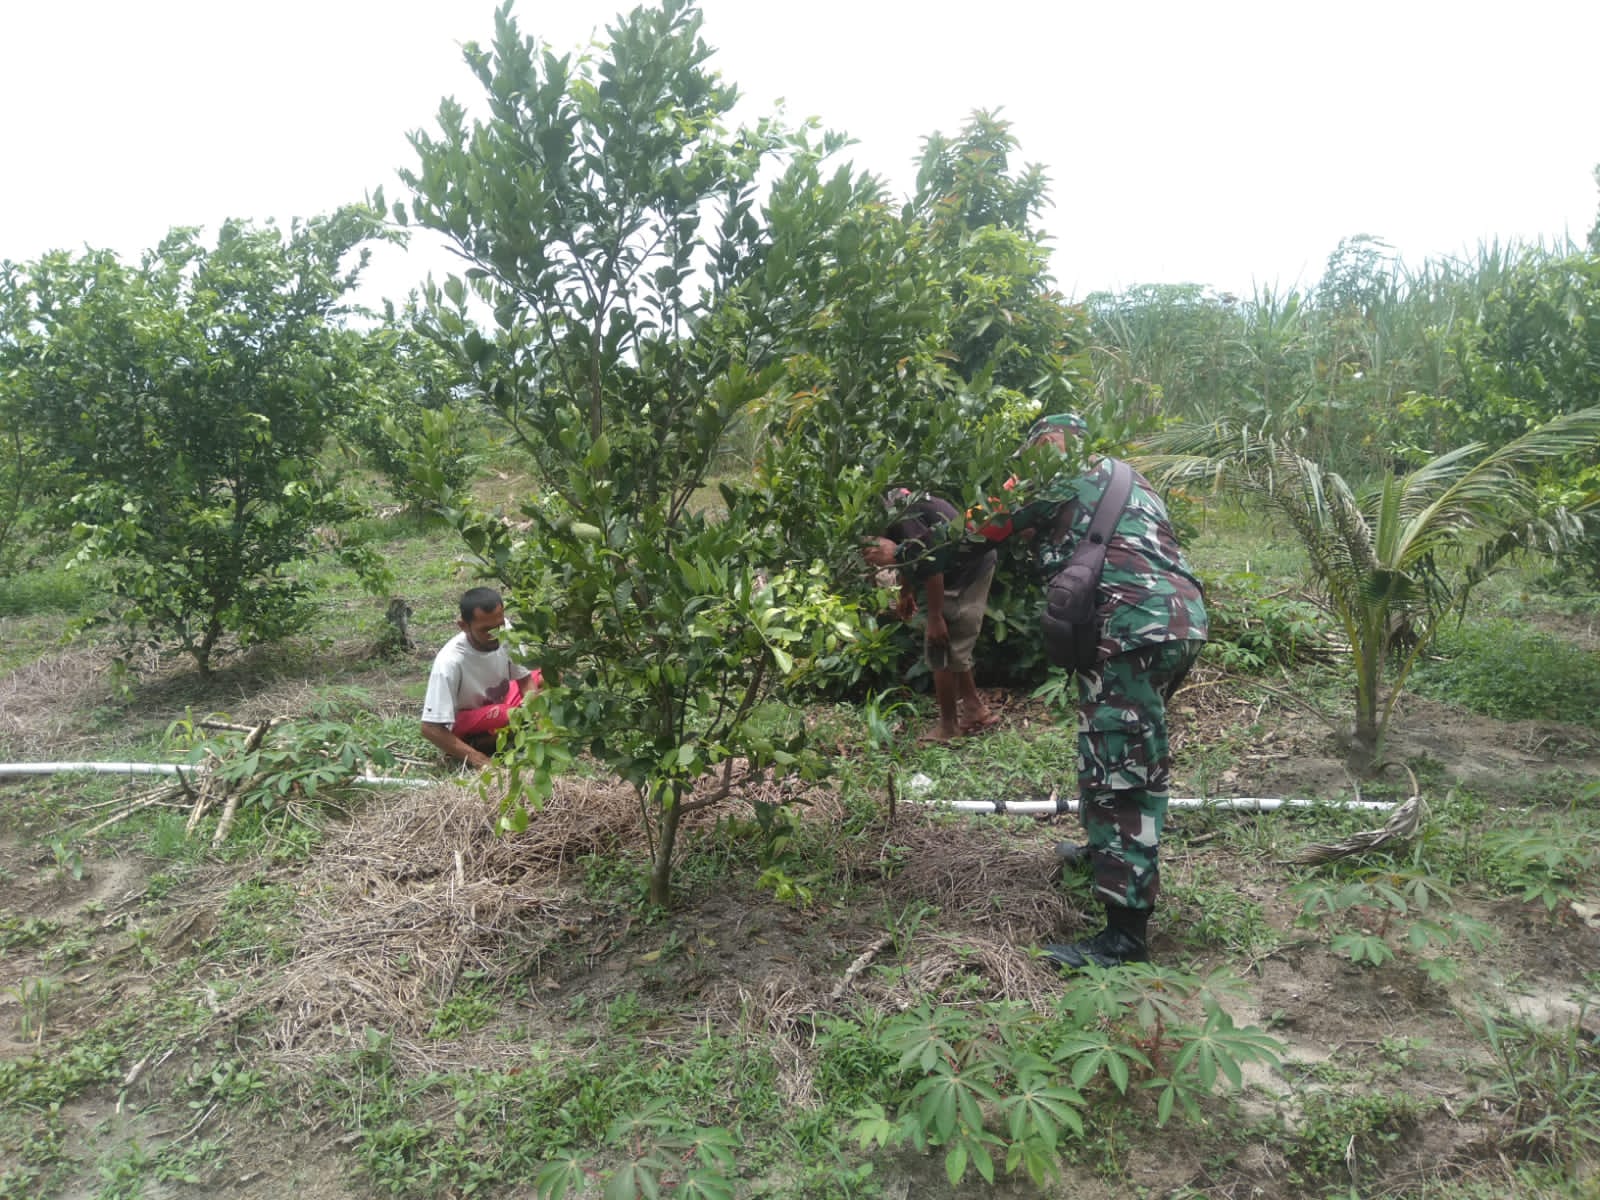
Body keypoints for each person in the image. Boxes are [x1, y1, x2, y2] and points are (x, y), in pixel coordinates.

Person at [867, 490, 1000, 742]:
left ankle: (948, 727)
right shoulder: (901, 504)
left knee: (939, 646)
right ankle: (974, 709)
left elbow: (930, 559)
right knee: (952, 645)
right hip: (966, 563)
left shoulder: (901, 512)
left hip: (966, 570)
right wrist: (906, 592)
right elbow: (910, 553)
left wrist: (935, 617)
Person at [420, 587, 541, 770]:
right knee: (506, 714)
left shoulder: (505, 632)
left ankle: (515, 733)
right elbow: (430, 728)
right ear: (463, 626)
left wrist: (539, 723)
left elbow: (525, 681)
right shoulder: (449, 662)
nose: (496, 634)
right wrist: (481, 761)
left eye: (499, 626)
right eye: (486, 630)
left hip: (502, 704)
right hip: (468, 721)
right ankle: (479, 744)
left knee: (547, 676)